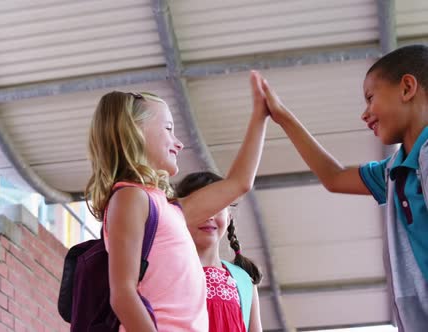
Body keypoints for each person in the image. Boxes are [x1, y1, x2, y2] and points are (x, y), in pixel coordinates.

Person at [258, 44, 428, 330]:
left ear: (407, 88)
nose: (365, 114)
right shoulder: (394, 172)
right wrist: (282, 116)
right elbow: (334, 177)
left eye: (370, 98)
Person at [85, 70, 270, 331]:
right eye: (169, 129)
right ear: (135, 132)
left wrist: (259, 117)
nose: (179, 143)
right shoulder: (130, 198)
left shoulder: (168, 208)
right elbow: (123, 295)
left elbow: (239, 183)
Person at [177, 171, 263, 332]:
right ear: (178, 213)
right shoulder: (167, 271)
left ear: (229, 217)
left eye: (217, 207)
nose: (209, 215)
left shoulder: (244, 280)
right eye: (200, 208)